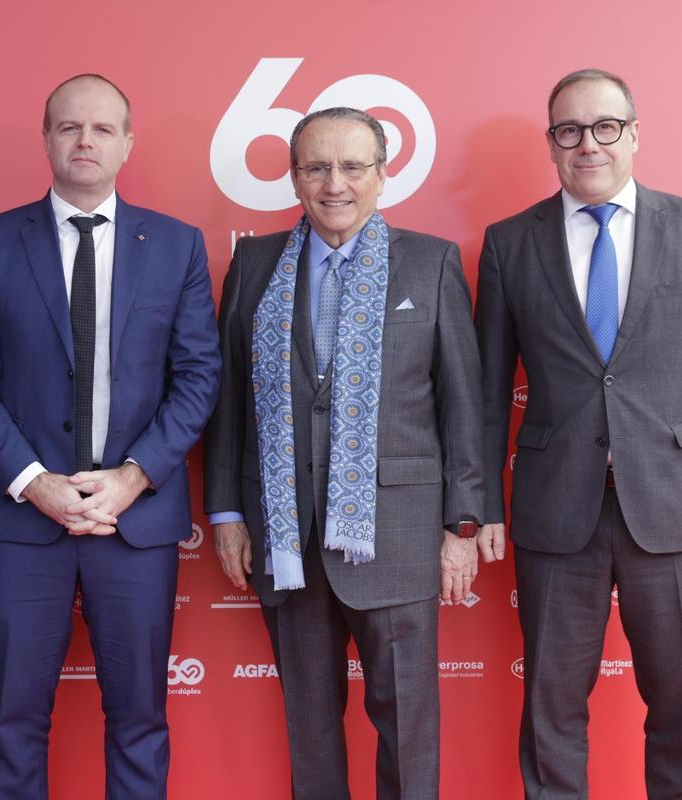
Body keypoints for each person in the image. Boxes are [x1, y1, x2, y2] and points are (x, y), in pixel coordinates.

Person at [474, 68, 682, 799]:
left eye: (605, 126)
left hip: (674, 505)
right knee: (551, 708)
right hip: (555, 513)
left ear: (635, 134)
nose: (589, 143)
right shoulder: (508, 243)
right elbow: (489, 392)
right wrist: (481, 502)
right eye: (570, 130)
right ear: (551, 143)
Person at [0, 73, 220, 799]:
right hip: (22, 521)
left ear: (128, 143)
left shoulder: (178, 246)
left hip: (135, 521)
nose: (85, 140)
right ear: (46, 140)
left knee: (138, 719)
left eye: (101, 129)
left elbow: (198, 377)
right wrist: (36, 483)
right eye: (69, 127)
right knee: (12, 723)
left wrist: (132, 479)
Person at [204, 107, 484, 800]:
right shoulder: (254, 264)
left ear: (383, 177)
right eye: (317, 167)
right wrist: (227, 512)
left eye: (353, 166)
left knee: (408, 729)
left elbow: (463, 406)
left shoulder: (433, 261)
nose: (336, 184)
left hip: (398, 535)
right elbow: (229, 400)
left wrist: (462, 527)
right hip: (284, 534)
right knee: (310, 729)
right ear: (295, 178)